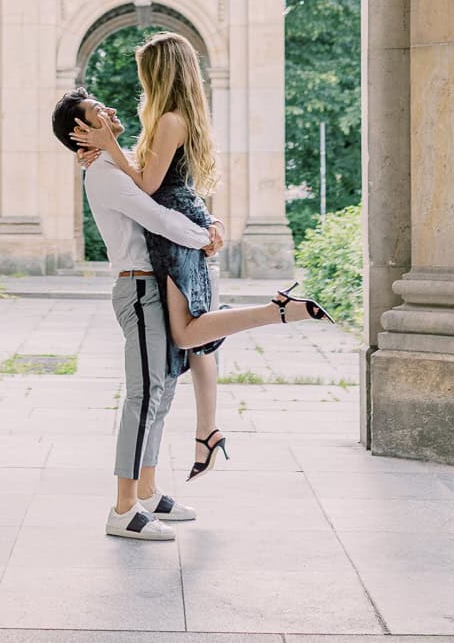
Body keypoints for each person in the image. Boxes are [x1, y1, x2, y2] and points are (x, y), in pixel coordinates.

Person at [70, 32, 332, 480]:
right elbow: (155, 178)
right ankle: (207, 432)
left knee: (187, 333)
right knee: (194, 338)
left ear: (158, 73)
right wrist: (106, 155)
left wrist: (110, 150)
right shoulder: (175, 118)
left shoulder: (170, 120)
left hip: (176, 234)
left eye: (144, 73)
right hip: (183, 222)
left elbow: (150, 187)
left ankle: (276, 311)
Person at [50, 86, 223, 542]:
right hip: (139, 287)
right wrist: (203, 235)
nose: (109, 109)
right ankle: (123, 508)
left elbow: (169, 194)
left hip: (154, 286)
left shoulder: (114, 161)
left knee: (160, 393)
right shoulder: (105, 172)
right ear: (82, 133)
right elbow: (157, 217)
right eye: (96, 112)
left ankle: (146, 491)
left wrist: (209, 224)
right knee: (143, 396)